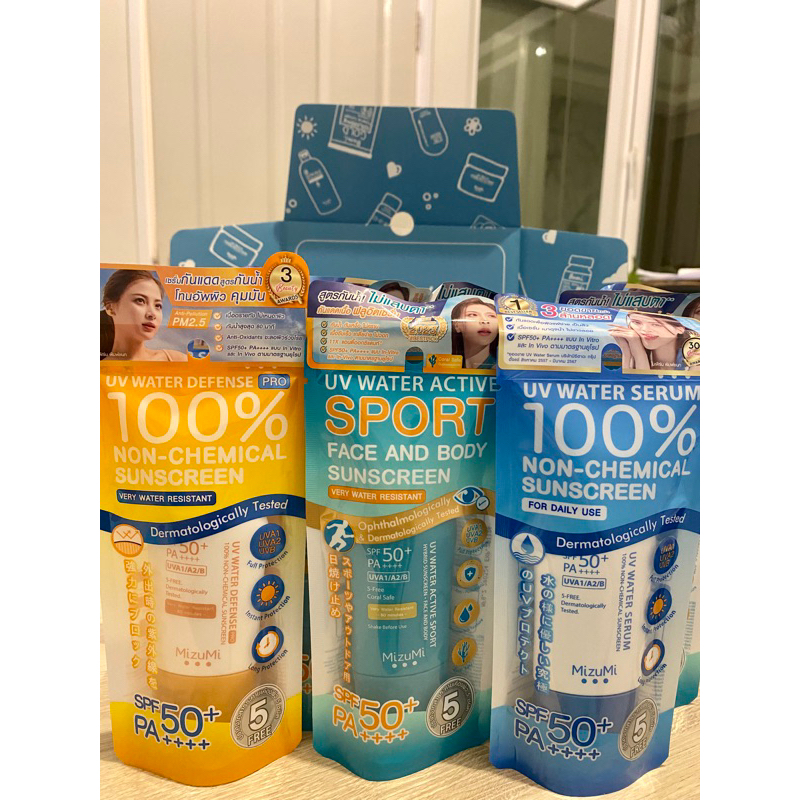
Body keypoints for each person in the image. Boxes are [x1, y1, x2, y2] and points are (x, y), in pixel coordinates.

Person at [100, 269, 187, 361]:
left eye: (158, 305)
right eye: (140, 300)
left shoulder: (177, 360)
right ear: (110, 308)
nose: (152, 314)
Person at [609, 311, 693, 371]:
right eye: (637, 322)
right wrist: (627, 350)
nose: (645, 330)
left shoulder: (694, 354)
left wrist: (638, 352)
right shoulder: (628, 348)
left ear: (680, 328)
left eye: (656, 324)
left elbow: (644, 384)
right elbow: (633, 386)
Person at [451, 297, 498, 369]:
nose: (485, 321)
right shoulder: (445, 365)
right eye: (473, 315)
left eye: (491, 316)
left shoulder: (502, 369)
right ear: (456, 325)